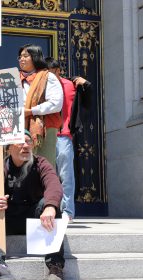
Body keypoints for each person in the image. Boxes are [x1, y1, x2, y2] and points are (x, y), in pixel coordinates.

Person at [0, 130, 65, 280]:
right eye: (20, 142)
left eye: (29, 141)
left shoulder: (40, 163)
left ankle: (55, 267)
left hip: (34, 219)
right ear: (8, 148)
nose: (26, 145)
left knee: (51, 204)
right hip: (6, 220)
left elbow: (54, 185)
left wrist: (50, 207)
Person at [46, 57, 91, 221]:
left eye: (52, 73)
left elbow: (88, 98)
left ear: (58, 71)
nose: (49, 76)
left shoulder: (70, 84)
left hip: (64, 135)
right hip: (46, 135)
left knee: (66, 175)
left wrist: (85, 83)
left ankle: (68, 211)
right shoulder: (41, 85)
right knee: (46, 175)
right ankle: (48, 209)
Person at [19, 44, 63, 168]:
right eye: (20, 56)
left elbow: (56, 103)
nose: (21, 59)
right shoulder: (13, 78)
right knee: (20, 167)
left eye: (25, 56)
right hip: (19, 128)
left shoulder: (48, 77)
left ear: (35, 57)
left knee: (44, 166)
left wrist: (31, 111)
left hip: (45, 128)